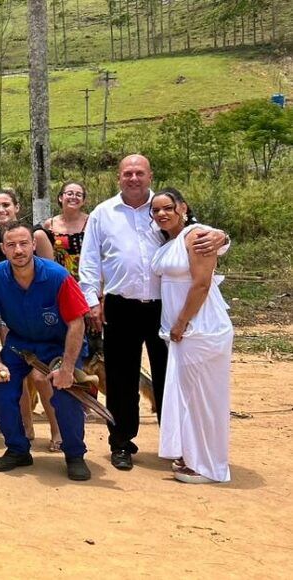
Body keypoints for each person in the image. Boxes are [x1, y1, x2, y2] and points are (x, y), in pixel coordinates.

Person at [80, 154, 227, 471]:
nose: (133, 178)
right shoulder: (102, 214)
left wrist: (223, 236)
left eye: (140, 173)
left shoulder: (164, 206)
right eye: (127, 173)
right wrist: (91, 299)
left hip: (165, 307)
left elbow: (201, 234)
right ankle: (121, 444)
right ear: (118, 177)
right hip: (120, 306)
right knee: (120, 380)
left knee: (169, 376)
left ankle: (175, 445)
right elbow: (90, 261)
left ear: (150, 175)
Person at [0, 222, 93, 481]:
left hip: (60, 345)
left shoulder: (57, 276)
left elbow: (77, 322)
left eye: (23, 243)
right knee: (0, 390)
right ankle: (17, 449)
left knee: (66, 393)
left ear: (34, 245)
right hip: (19, 344)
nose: (18, 250)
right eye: (12, 245)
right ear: (3, 249)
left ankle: (74, 454)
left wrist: (68, 369)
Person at [149, 189, 233, 484]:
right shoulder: (169, 241)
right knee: (188, 397)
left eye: (167, 208)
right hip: (182, 332)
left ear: (183, 207)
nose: (161, 214)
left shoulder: (197, 235)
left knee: (204, 397)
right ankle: (191, 455)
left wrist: (181, 322)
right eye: (155, 210)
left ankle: (208, 466)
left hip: (200, 327)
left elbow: (201, 284)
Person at [0, 188, 62, 450]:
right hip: (6, 314)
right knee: (15, 375)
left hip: (41, 315)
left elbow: (53, 275)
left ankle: (56, 430)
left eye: (5, 204)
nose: (0, 210)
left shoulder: (37, 234)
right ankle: (26, 427)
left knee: (41, 375)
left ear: (17, 207)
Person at [42, 181, 90, 279]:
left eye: (79, 195)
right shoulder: (49, 224)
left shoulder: (91, 222)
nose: (74, 197)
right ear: (60, 197)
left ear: (83, 201)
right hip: (58, 280)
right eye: (69, 193)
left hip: (85, 280)